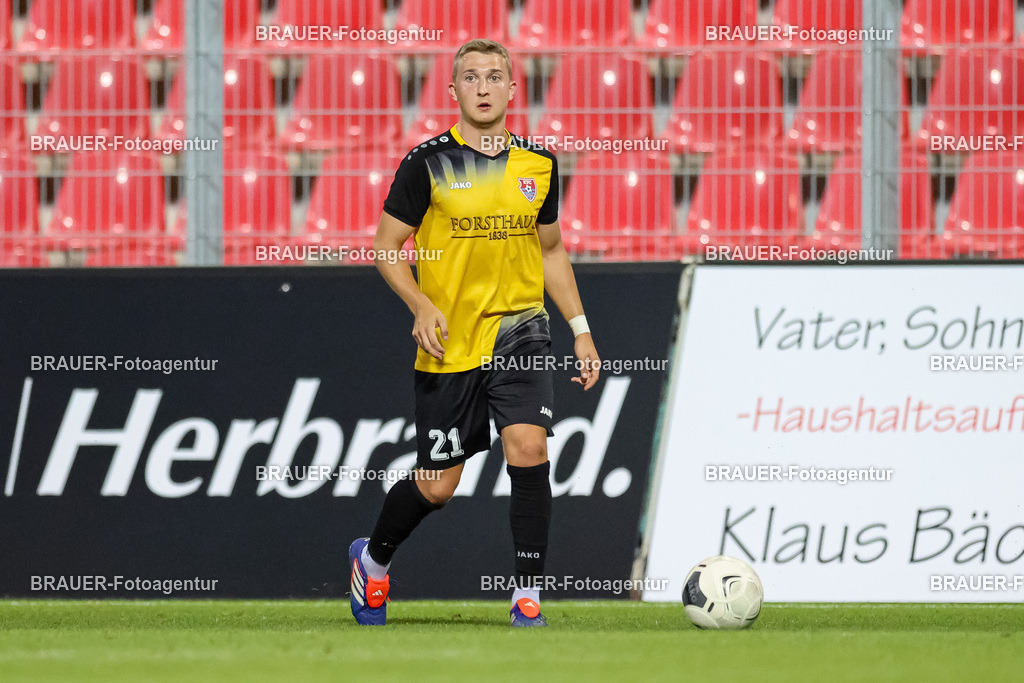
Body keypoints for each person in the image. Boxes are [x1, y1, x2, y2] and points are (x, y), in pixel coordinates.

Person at [349, 39, 600, 628]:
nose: (483, 87)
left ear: (514, 90)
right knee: (437, 487)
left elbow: (553, 250)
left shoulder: (538, 166)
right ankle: (374, 560)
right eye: (471, 77)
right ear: (453, 91)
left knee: (529, 447)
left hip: (521, 333)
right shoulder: (426, 163)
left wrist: (581, 330)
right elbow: (386, 250)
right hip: (450, 344)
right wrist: (419, 302)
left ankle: (527, 594)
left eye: (494, 76)